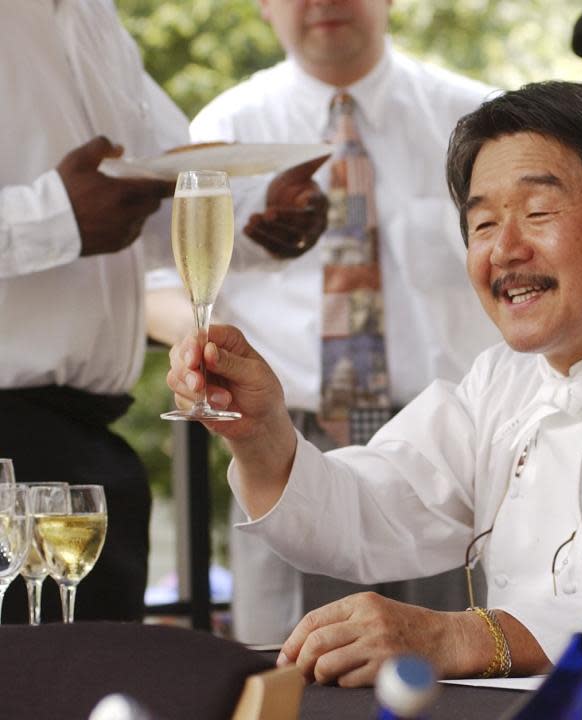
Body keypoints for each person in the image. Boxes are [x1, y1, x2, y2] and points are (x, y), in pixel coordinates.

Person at [166, 80, 582, 685]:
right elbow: (373, 512)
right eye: (482, 223)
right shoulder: (500, 381)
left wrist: (463, 635)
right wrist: (260, 435)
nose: (503, 250)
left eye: (538, 211)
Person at [147, 0, 501, 644]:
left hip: (450, 461)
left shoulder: (479, 121)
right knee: (289, 674)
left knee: (458, 675)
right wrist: (199, 350)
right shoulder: (227, 127)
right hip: (281, 447)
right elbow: (159, 286)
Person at [0, 0, 326, 624]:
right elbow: (80, 213)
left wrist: (262, 215)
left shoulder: (92, 18)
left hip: (85, 454)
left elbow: (162, 183)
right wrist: (56, 219)